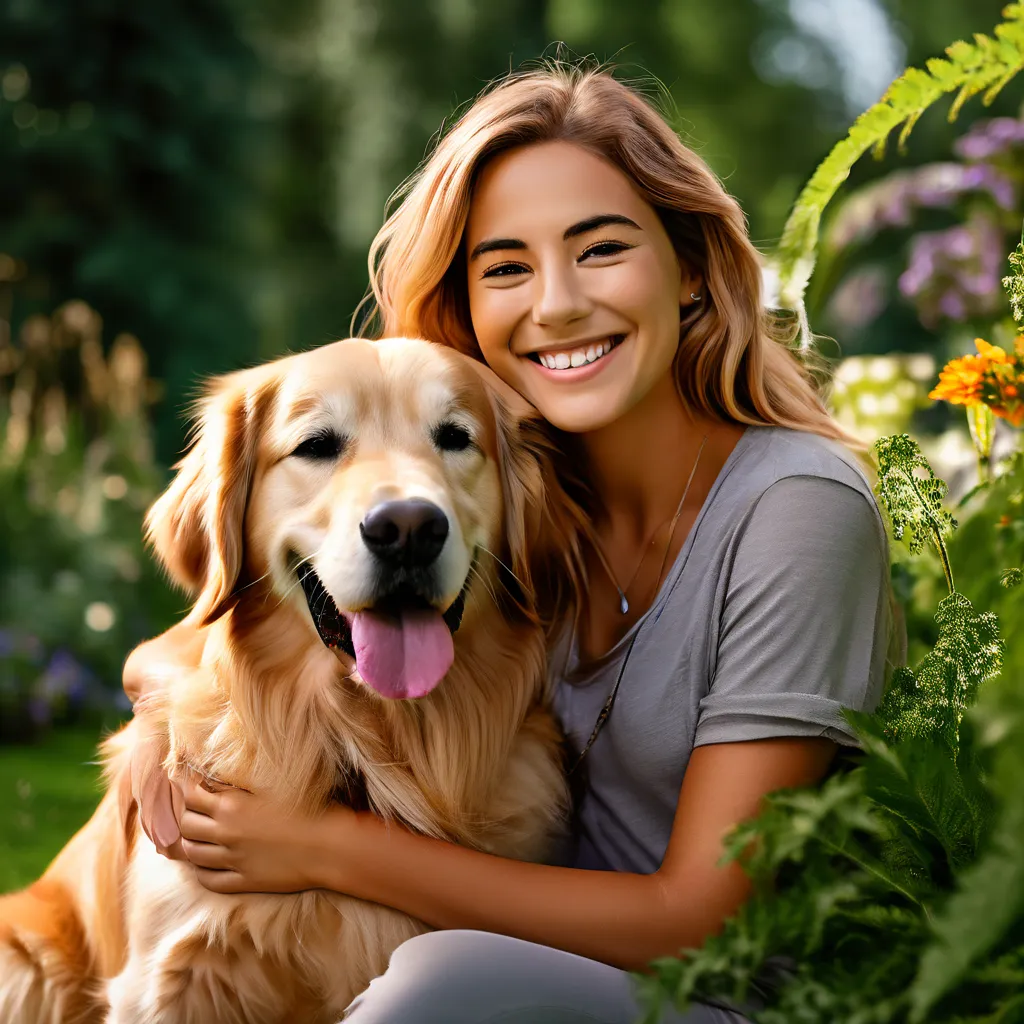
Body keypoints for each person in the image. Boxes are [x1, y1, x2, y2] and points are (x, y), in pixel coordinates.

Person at [122, 63, 894, 1023]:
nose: (558, 303)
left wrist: (323, 848)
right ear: (469, 301)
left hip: (716, 997)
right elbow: (229, 624)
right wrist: (159, 706)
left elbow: (700, 917)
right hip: (520, 955)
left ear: (691, 267)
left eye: (601, 248)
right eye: (506, 267)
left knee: (434, 990)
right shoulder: (520, 496)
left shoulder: (797, 510)